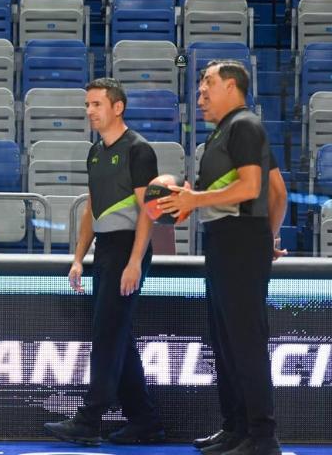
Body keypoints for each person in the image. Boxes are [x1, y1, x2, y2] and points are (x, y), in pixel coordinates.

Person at [159, 61, 282, 455]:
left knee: (245, 343)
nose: (201, 95)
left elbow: (253, 187)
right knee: (226, 342)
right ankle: (236, 428)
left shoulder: (245, 125)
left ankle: (262, 437)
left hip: (241, 244)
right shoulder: (222, 134)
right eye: (198, 89)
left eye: (208, 84)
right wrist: (270, 234)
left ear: (233, 86)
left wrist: (262, 236)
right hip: (226, 242)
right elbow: (275, 188)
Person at [44, 78, 165, 447]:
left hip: (130, 248)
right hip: (106, 251)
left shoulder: (139, 150)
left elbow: (149, 211)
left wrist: (135, 261)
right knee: (118, 336)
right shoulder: (95, 152)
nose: (90, 111)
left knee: (107, 335)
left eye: (96, 104)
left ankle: (89, 419)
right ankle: (145, 421)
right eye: (87, 105)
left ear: (118, 107)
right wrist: (79, 258)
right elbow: (92, 209)